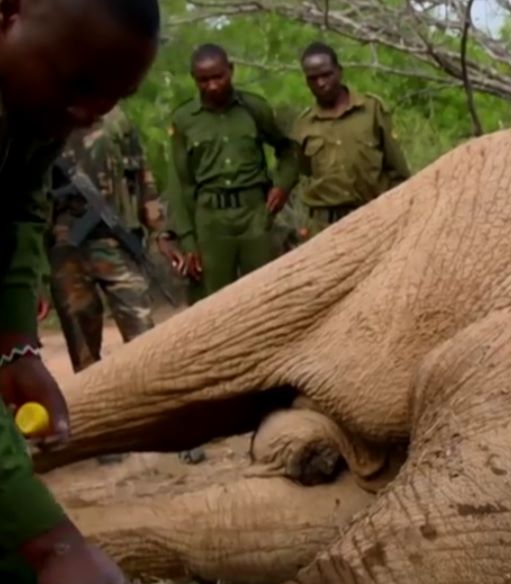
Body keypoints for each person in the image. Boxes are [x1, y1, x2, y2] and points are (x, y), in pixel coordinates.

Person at [0, 0, 162, 584]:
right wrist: (53, 542)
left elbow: (17, 204)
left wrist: (15, 346)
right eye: (77, 85)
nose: (89, 113)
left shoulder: (36, 106)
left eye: (111, 97)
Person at [161, 43, 300, 300]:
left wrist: (282, 185)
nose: (212, 85)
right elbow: (181, 184)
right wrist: (188, 239)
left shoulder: (254, 108)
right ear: (194, 79)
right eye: (204, 80)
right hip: (211, 220)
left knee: (263, 295)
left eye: (218, 77)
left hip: (254, 215)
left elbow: (288, 150)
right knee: (213, 300)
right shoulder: (184, 119)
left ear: (231, 71)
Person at [47, 104, 162, 374]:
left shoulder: (117, 117)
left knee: (143, 331)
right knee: (82, 341)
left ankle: (153, 395)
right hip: (65, 244)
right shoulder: (45, 115)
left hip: (115, 239)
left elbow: (142, 172)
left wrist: (158, 227)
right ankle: (92, 406)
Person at [292, 41, 411, 230]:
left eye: (326, 75)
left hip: (373, 218)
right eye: (313, 78)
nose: (321, 83)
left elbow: (397, 170)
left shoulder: (371, 110)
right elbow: (305, 172)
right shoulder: (304, 125)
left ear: (339, 71)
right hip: (326, 226)